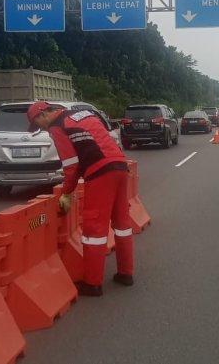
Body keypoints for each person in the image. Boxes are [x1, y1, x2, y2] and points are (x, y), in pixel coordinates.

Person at [27, 102, 134, 297]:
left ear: (43, 115)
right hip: (120, 165)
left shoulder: (57, 126)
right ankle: (126, 274)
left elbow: (71, 165)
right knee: (122, 224)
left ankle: (92, 283)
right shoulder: (81, 113)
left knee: (94, 230)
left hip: (100, 172)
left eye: (38, 124)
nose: (42, 128)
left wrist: (66, 193)